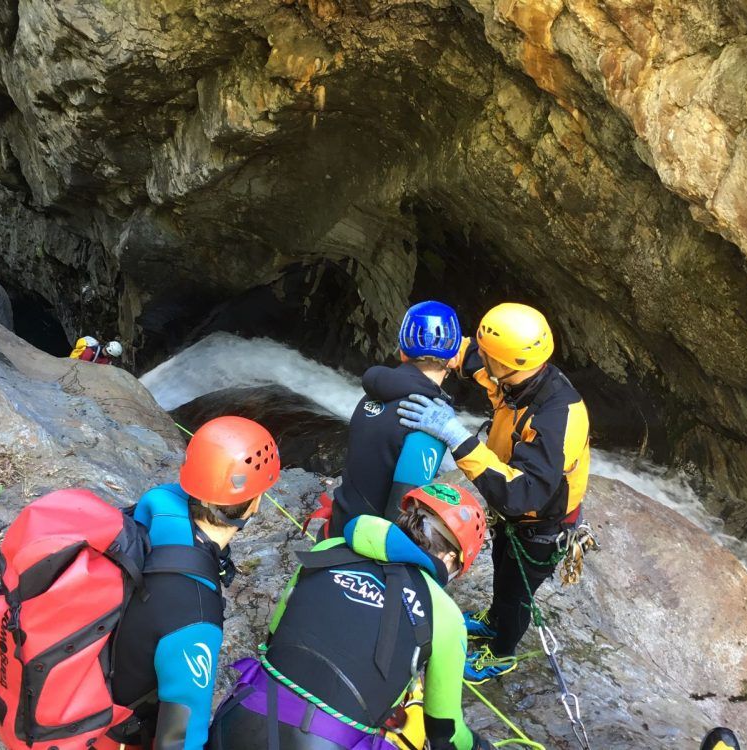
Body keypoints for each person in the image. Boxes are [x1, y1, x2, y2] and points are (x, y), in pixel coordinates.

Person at [209, 482, 492, 750]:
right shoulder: (444, 613)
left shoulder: (327, 550)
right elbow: (446, 735)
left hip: (237, 720)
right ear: (450, 559)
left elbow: (273, 640)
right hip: (325, 741)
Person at [398, 302, 590, 683]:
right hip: (517, 519)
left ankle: (502, 653)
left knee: (517, 592)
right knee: (503, 573)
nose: (479, 357)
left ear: (507, 363)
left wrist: (458, 438)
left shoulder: (558, 417)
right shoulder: (517, 375)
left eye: (488, 355)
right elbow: (464, 352)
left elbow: (523, 494)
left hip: (542, 523)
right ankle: (494, 618)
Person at [103, 416, 281, 749]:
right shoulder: (196, 617)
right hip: (113, 732)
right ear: (255, 502)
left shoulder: (155, 504)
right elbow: (180, 739)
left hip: (102, 665)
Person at [321, 301, 461, 538]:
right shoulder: (428, 421)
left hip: (336, 529)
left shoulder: (372, 394)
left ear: (403, 352)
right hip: (365, 549)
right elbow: (402, 510)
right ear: (455, 358)